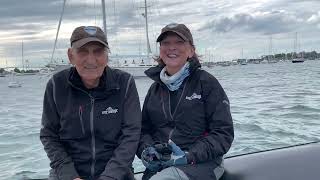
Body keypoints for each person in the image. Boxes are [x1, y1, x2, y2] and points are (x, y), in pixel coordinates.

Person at [40, 26, 141, 180]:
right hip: (68, 172)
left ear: (107, 56)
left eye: (98, 51)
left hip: (117, 173)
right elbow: (49, 135)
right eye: (83, 51)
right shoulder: (56, 85)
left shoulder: (125, 83)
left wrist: (110, 176)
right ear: (70, 55)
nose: (91, 59)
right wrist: (70, 176)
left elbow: (131, 135)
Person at [137, 23, 234, 180]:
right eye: (166, 43)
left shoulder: (207, 83)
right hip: (163, 164)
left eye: (179, 42)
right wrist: (147, 150)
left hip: (202, 163)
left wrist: (189, 155)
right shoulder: (154, 89)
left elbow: (223, 133)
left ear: (191, 50)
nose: (172, 47)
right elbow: (143, 130)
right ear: (160, 51)